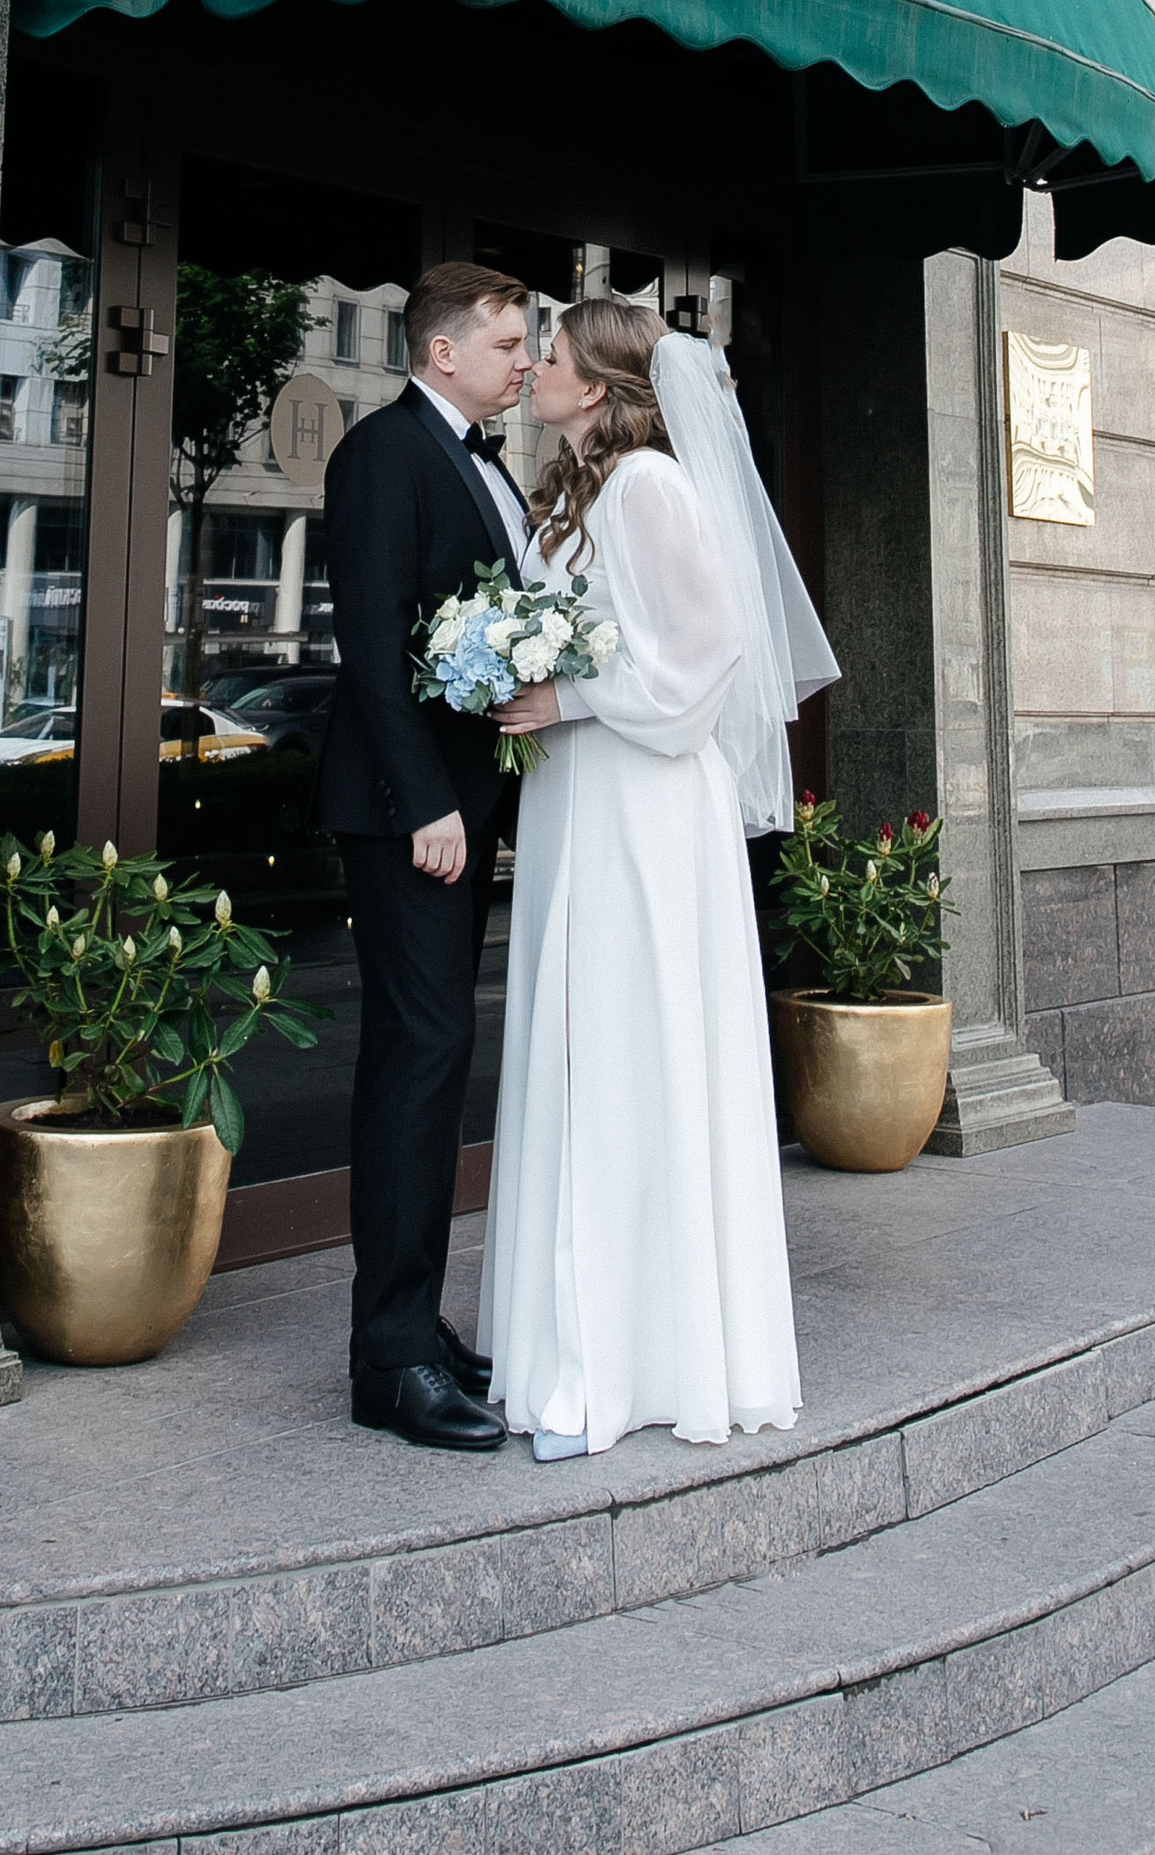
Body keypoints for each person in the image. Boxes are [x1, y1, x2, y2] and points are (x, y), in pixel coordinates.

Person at [483, 301, 838, 1460]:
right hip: (577, 795)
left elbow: (708, 650)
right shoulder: (567, 496)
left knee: (630, 1048)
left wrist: (565, 697)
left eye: (552, 355)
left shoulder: (648, 488)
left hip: (638, 803)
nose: (533, 366)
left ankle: (644, 1352)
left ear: (597, 387)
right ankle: (580, 1341)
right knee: (583, 1048)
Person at [317, 262, 536, 1451]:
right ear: (442, 351)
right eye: (506, 343)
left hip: (460, 801)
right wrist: (423, 806)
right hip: (409, 814)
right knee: (419, 1057)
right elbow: (367, 640)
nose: (521, 361)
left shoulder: (479, 459)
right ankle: (388, 1360)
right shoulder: (381, 454)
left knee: (437, 1058)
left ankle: (415, 1326)